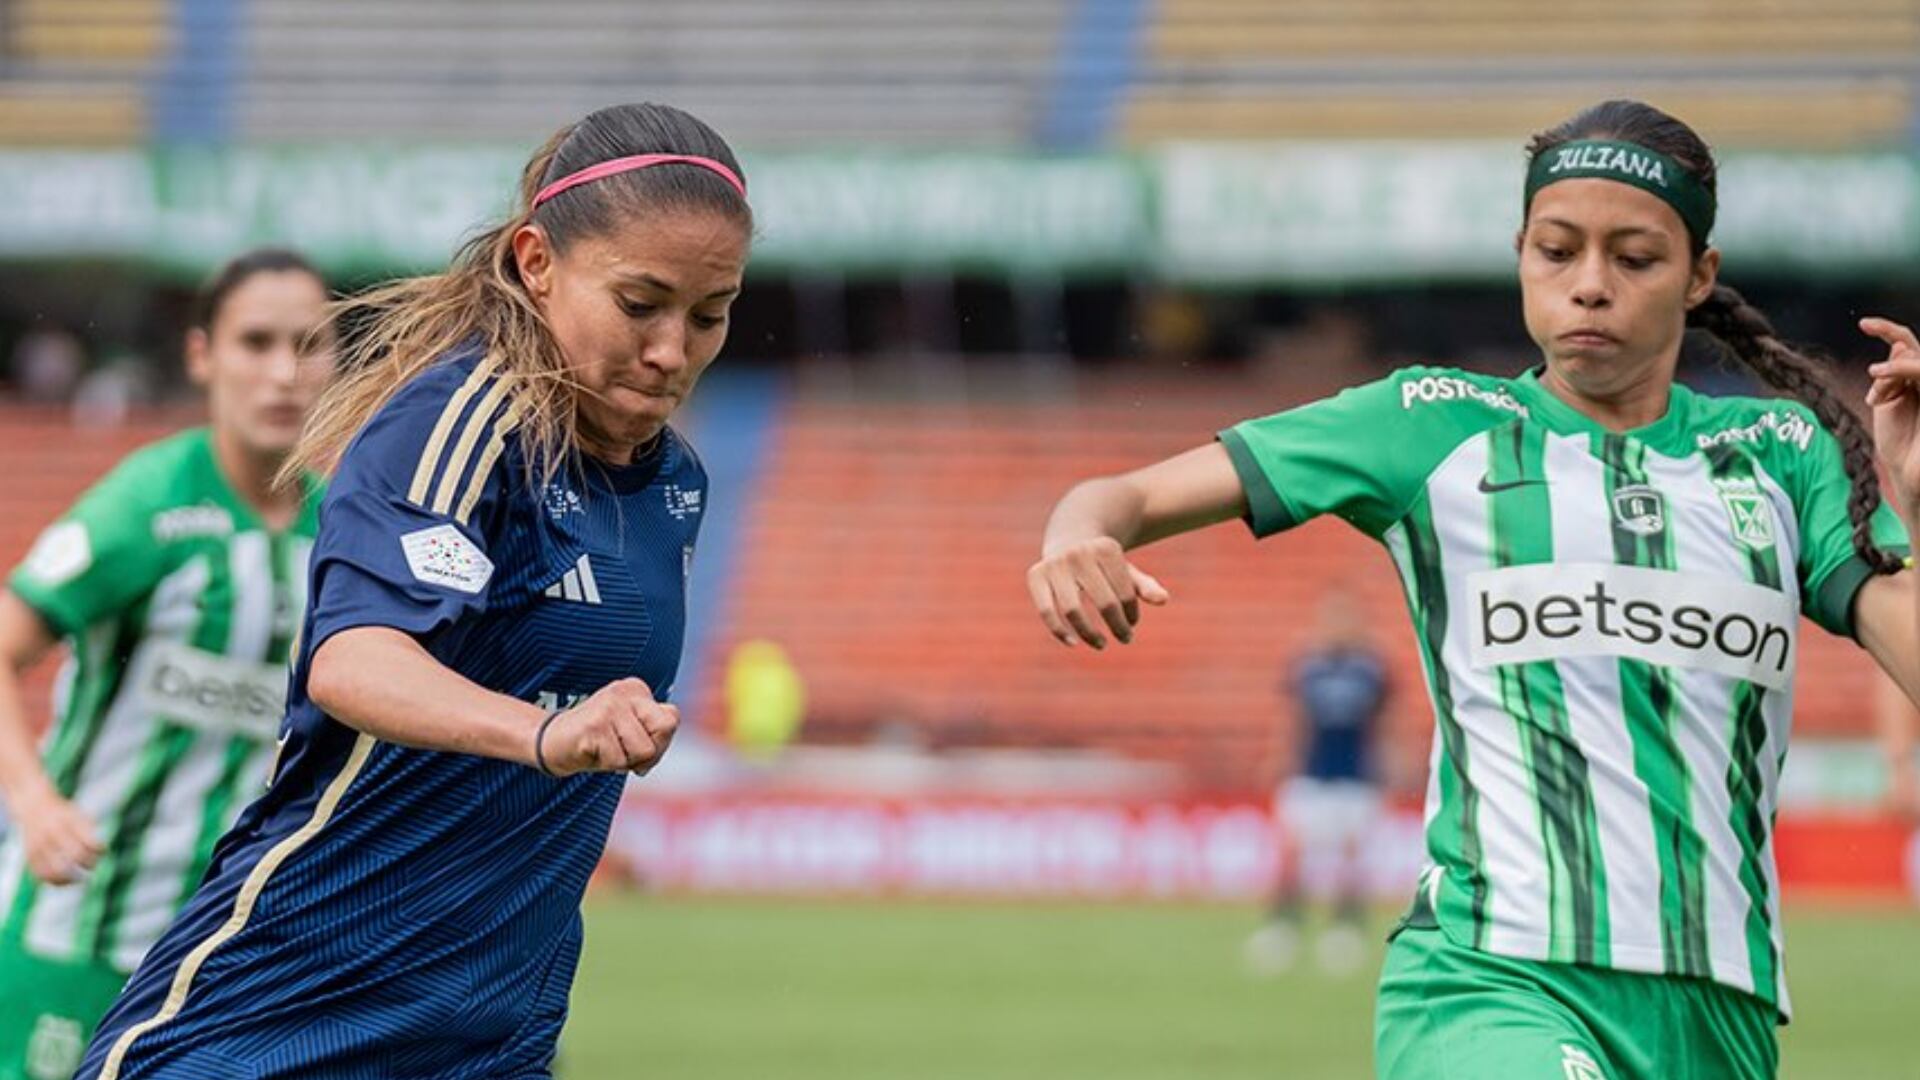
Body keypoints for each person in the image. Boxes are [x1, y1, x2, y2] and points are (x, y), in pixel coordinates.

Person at [1029, 99, 1920, 1079]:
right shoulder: (1431, 423)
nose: (1589, 286)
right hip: (1491, 982)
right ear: (1520, 257)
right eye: (1557, 251)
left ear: (1699, 276)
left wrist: (1916, 515)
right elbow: (1125, 493)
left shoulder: (1782, 456)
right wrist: (1080, 534)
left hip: (1719, 1013)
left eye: (1634, 259)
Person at [74, 102, 748, 1080]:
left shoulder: (676, 486)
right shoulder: (461, 421)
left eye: (710, 314)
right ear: (536, 262)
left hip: (493, 1039)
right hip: (284, 1017)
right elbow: (355, 657)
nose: (671, 351)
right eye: (639, 304)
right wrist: (545, 736)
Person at [0, 249, 334, 1080]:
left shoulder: (344, 535)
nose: (282, 373)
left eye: (309, 344)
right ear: (201, 357)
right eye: (255, 342)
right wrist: (36, 802)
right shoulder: (148, 501)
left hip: (231, 960)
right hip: (78, 931)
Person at [1244, 586, 1389, 977]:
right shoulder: (1307, 666)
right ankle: (1283, 926)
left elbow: (1387, 721)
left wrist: (1393, 761)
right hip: (1311, 773)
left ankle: (1345, 930)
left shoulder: (1373, 668)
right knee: (1292, 853)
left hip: (1356, 774)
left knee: (1352, 857)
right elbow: (1293, 718)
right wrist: (1281, 758)